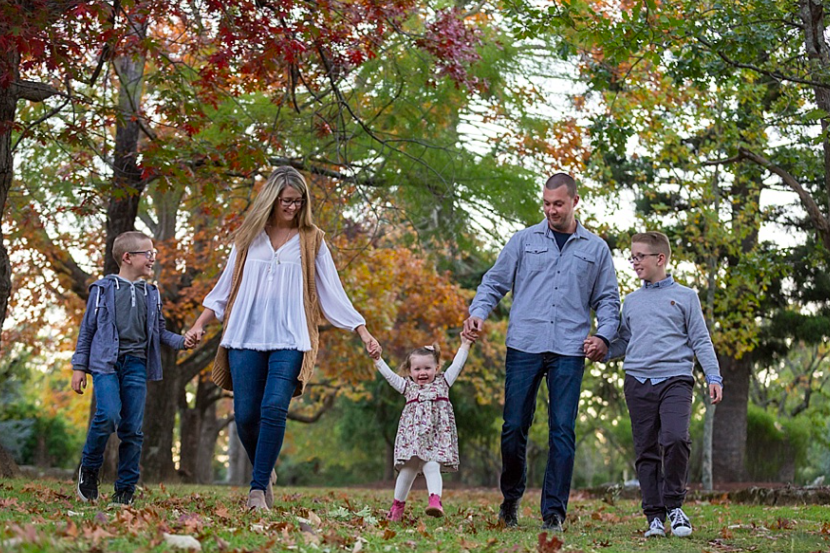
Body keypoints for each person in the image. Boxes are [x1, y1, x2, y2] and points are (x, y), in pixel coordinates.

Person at [186, 166, 381, 511]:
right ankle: (267, 467)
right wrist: (200, 324)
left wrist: (361, 329)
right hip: (245, 335)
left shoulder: (312, 239)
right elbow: (225, 286)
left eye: (298, 200)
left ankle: (257, 489)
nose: (292, 207)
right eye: (286, 200)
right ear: (271, 199)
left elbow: (332, 292)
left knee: (274, 407)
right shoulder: (248, 236)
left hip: (291, 338)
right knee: (246, 415)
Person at [462, 173, 620, 530]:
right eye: (547, 203)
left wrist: (605, 336)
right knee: (514, 426)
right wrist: (477, 312)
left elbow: (608, 300)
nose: (551, 210)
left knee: (562, 430)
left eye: (558, 204)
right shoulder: (523, 241)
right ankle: (511, 499)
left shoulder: (595, 249)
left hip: (569, 348)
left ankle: (553, 513)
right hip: (525, 345)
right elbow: (494, 281)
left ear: (575, 201)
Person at [586, 231, 723, 538]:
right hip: (637, 381)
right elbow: (624, 342)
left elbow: (700, 340)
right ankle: (654, 517)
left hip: (676, 379)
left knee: (675, 439)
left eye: (639, 256)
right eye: (631, 257)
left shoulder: (686, 297)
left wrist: (713, 376)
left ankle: (674, 506)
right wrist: (603, 351)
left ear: (660, 258)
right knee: (646, 450)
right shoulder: (631, 302)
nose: (634, 262)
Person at [71, 231, 196, 505]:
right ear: (127, 257)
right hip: (106, 364)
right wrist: (79, 367)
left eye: (154, 253)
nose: (153, 258)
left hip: (137, 365)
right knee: (107, 415)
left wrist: (182, 341)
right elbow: (87, 330)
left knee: (132, 429)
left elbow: (160, 330)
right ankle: (89, 469)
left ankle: (125, 488)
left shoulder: (151, 293)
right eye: (148, 253)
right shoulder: (102, 289)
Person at [374, 337, 473, 521]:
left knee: (432, 464)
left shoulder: (443, 383)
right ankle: (397, 507)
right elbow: (390, 376)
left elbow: (457, 365)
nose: (422, 373)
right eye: (417, 369)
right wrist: (378, 360)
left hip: (436, 437)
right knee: (408, 470)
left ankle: (435, 500)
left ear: (436, 368)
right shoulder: (408, 387)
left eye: (427, 368)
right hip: (412, 438)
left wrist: (465, 345)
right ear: (409, 371)